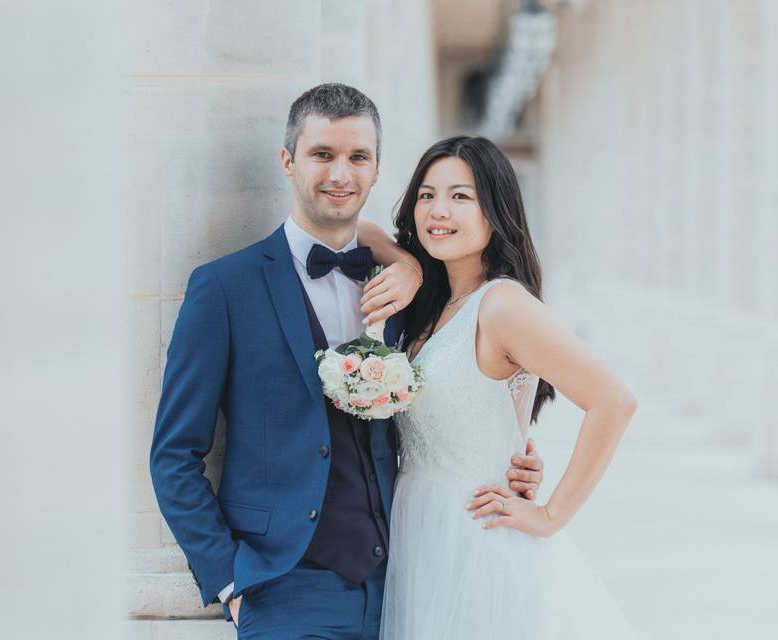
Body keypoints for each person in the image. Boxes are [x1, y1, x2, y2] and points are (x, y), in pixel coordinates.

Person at [149, 84, 545, 639]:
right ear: (288, 161)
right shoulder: (223, 288)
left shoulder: (418, 293)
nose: (341, 174)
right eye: (322, 155)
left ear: (377, 168)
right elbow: (174, 455)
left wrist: (513, 455)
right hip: (283, 590)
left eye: (358, 157)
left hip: (407, 583)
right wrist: (228, 583)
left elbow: (467, 392)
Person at [379, 136, 639, 639]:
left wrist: (549, 514)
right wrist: (409, 263)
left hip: (479, 540)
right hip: (420, 532)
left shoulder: (502, 304)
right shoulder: (432, 306)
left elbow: (613, 400)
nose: (438, 210)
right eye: (426, 194)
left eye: (461, 196)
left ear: (495, 210)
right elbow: (365, 231)